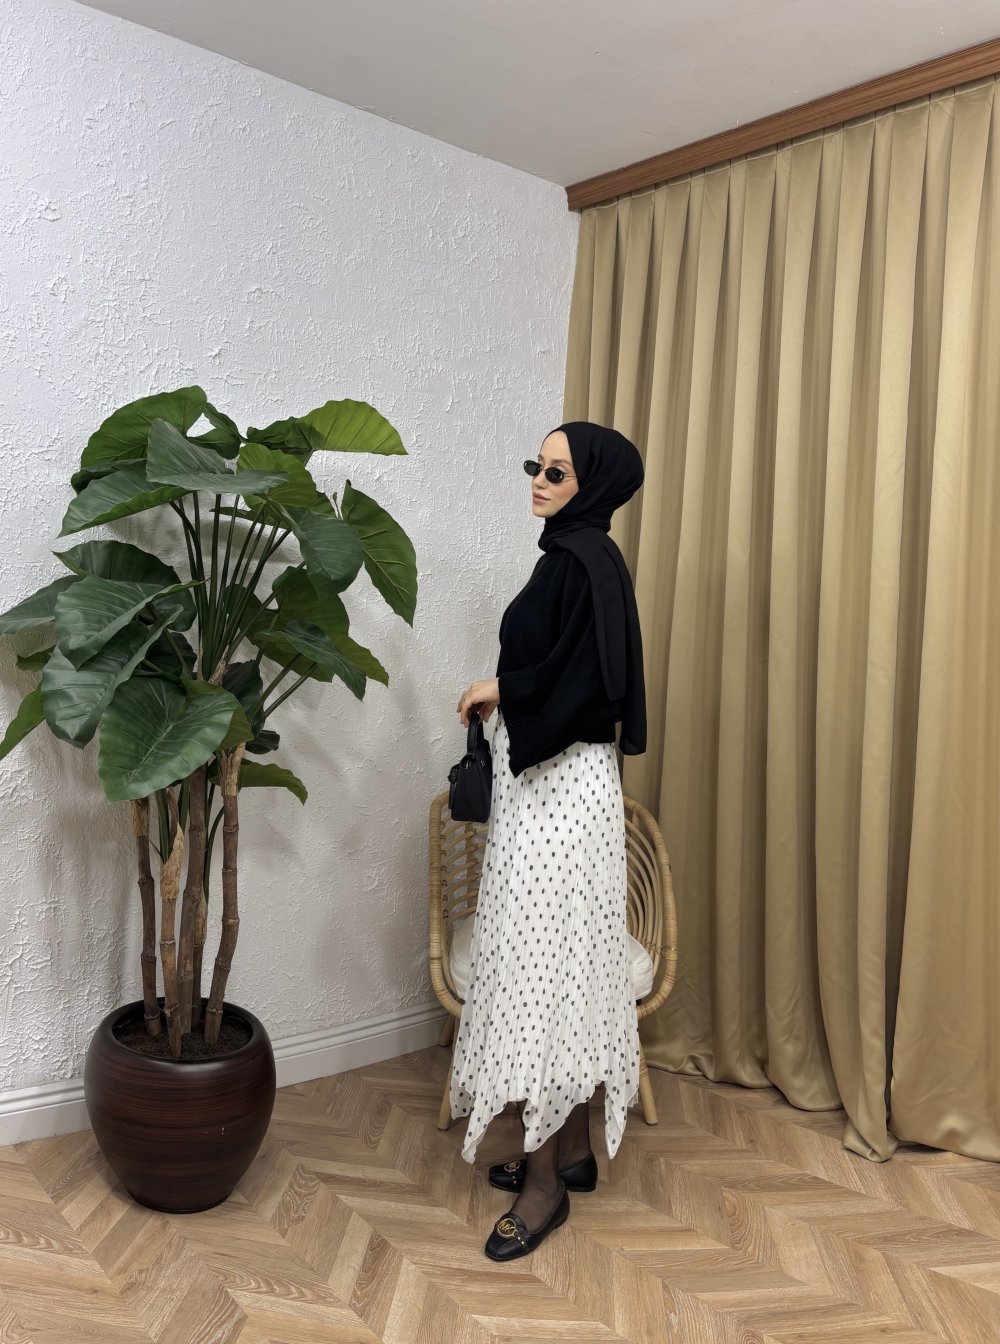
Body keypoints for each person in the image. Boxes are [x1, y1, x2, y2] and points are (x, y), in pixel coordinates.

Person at [451, 420, 647, 1262]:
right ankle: (569, 1151)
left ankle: (544, 1188)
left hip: (561, 801)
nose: (539, 479)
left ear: (590, 484)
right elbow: (574, 670)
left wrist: (501, 686)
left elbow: (590, 687)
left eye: (557, 471)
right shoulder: (577, 556)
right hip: (555, 795)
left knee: (544, 971)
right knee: (555, 963)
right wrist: (510, 695)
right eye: (537, 464)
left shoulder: (582, 561)